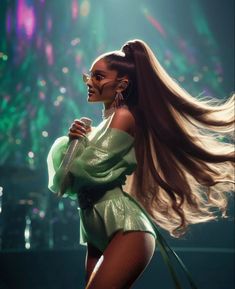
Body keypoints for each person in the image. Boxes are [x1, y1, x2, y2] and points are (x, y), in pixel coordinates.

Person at [47, 39, 234, 289]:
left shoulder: (124, 116)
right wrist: (73, 141)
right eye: (89, 76)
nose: (90, 83)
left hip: (125, 228)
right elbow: (65, 185)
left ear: (122, 84)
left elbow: (88, 171)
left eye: (99, 77)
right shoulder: (100, 127)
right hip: (94, 230)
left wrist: (78, 145)